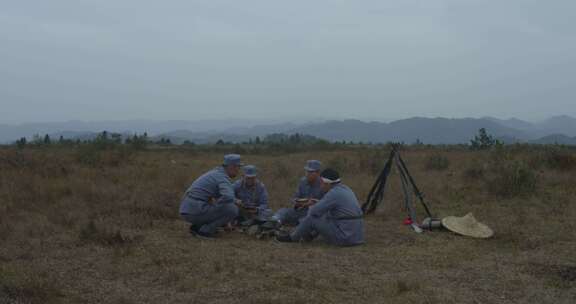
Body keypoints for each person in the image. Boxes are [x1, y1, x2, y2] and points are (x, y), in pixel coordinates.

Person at [276, 168, 364, 246]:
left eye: (321, 183)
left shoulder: (333, 194)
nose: (320, 186)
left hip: (345, 239)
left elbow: (314, 212)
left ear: (326, 183)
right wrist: (319, 203)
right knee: (324, 214)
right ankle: (308, 235)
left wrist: (312, 204)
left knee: (312, 218)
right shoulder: (346, 189)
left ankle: (292, 237)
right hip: (357, 237)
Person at [179, 154, 242, 239]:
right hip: (195, 210)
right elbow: (228, 197)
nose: (238, 170)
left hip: (187, 208)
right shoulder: (222, 178)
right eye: (238, 167)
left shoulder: (215, 172)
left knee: (226, 205)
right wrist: (220, 206)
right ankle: (204, 232)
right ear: (231, 166)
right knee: (233, 209)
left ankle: (197, 226)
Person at [272, 160, 325, 226]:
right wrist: (297, 203)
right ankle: (274, 222)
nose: (307, 174)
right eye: (307, 171)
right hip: (302, 211)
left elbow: (327, 203)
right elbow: (295, 197)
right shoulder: (303, 181)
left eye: (311, 172)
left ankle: (301, 226)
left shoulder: (324, 184)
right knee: (283, 211)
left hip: (315, 214)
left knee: (308, 221)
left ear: (318, 173)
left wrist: (314, 203)